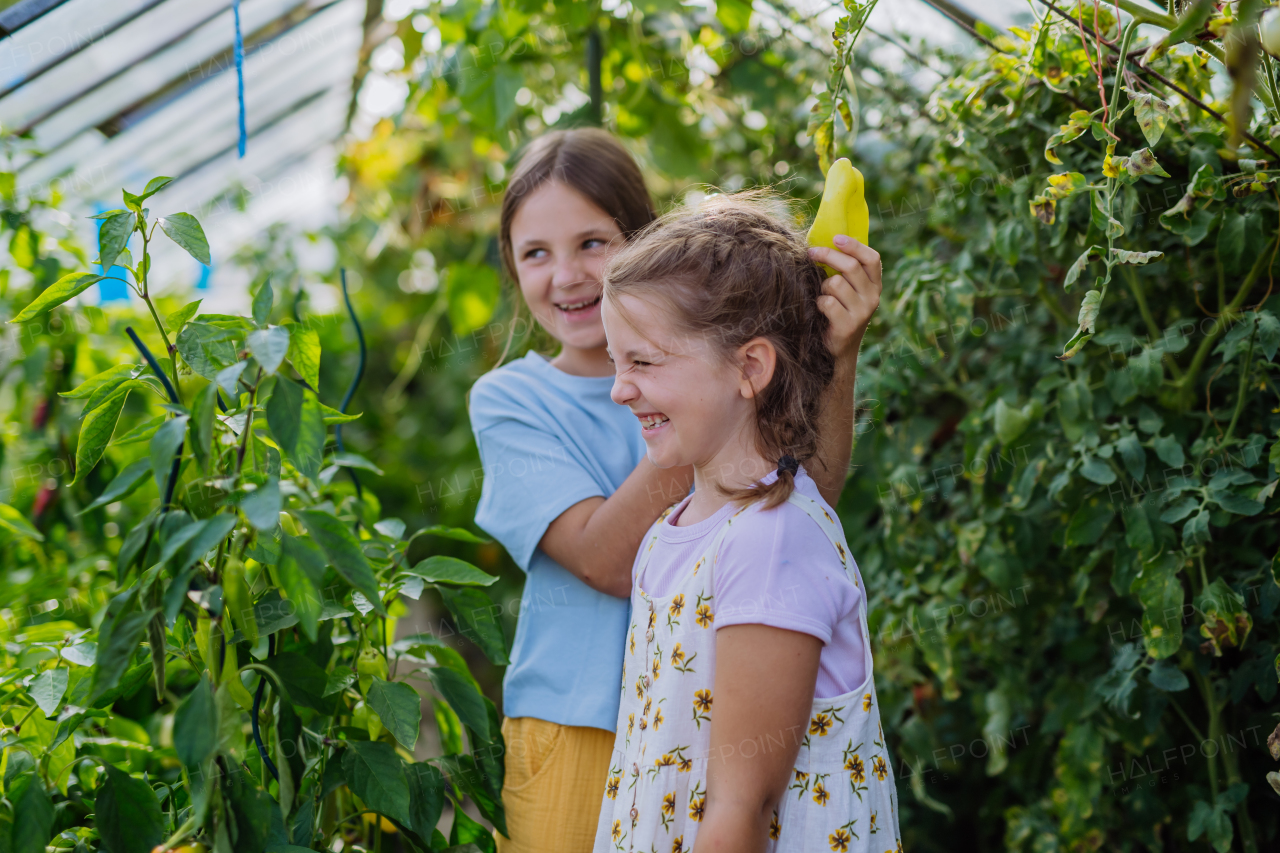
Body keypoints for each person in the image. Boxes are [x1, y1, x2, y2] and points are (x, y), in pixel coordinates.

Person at [468, 128, 882, 853]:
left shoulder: (709, 394)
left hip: (716, 721)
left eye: (593, 243)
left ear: (641, 241)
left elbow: (793, 493)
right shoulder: (512, 398)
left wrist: (830, 360)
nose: (567, 276)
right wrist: (719, 403)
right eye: (535, 253)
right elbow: (603, 560)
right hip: (580, 725)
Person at [591, 193, 899, 853]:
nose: (620, 388)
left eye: (642, 362)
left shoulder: (769, 541)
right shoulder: (676, 528)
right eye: (616, 362)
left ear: (750, 367)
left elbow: (742, 805)